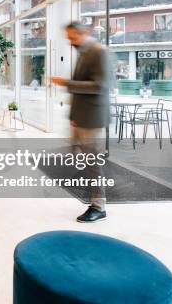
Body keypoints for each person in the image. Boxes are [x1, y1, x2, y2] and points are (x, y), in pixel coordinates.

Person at [51, 22, 110, 223]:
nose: (70, 42)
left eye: (73, 37)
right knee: (81, 159)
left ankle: (99, 206)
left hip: (92, 119)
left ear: (85, 33)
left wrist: (66, 83)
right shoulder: (84, 52)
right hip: (81, 117)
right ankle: (93, 194)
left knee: (93, 164)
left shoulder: (98, 51)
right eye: (68, 38)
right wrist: (74, 118)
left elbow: (100, 86)